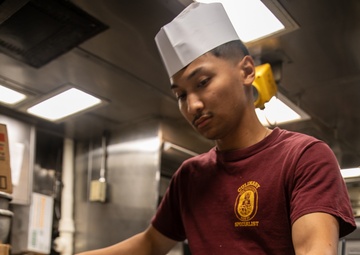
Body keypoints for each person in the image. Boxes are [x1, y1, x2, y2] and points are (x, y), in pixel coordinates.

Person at [77, 2, 356, 255]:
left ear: (247, 71)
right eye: (181, 95)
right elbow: (150, 243)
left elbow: (314, 249)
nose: (192, 105)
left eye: (202, 82)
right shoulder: (189, 177)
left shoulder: (304, 157)